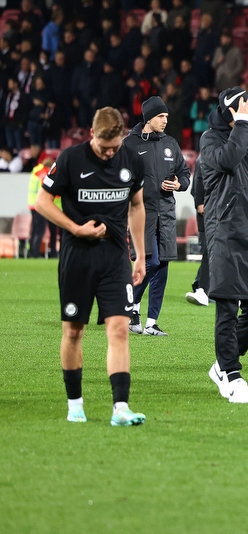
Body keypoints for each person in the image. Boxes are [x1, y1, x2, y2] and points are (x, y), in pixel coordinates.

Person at [34, 107, 148, 426]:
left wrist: (139, 254)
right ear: (92, 134)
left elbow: (137, 206)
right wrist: (75, 228)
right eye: (103, 146)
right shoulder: (70, 159)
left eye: (115, 147)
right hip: (77, 255)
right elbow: (43, 202)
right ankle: (75, 405)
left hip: (114, 256)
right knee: (73, 331)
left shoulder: (132, 161)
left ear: (123, 136)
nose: (110, 153)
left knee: (120, 328)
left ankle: (121, 408)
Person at [199, 87, 248, 404]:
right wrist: (242, 124)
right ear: (230, 111)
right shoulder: (211, 140)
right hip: (227, 235)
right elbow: (230, 160)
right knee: (228, 309)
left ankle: (222, 364)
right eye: (243, 106)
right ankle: (232, 375)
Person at [122, 95, 191, 336]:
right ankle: (129, 304)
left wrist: (179, 185)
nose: (165, 121)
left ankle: (150, 322)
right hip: (142, 214)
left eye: (166, 117)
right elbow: (120, 178)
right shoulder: (130, 144)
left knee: (162, 265)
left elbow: (185, 174)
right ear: (149, 118)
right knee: (149, 261)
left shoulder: (171, 143)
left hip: (167, 214)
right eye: (161, 116)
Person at [185, 169, 210, 306]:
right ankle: (202, 288)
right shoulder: (204, 160)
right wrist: (200, 203)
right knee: (209, 253)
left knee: (213, 255)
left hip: (219, 215)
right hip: (207, 218)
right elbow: (196, 187)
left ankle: (201, 285)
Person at [27, 153, 56, 258]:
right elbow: (47, 190)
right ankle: (35, 253)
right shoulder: (44, 173)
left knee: (35, 230)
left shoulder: (36, 171)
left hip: (32, 205)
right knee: (40, 230)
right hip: (40, 206)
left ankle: (32, 251)